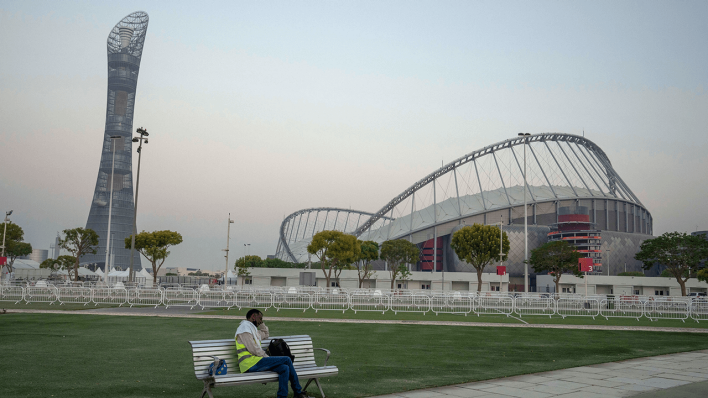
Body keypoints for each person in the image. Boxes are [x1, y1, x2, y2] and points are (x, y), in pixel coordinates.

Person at [235, 309, 308, 398]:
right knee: (287, 359)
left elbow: (266, 333)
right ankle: (298, 392)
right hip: (249, 364)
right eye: (260, 318)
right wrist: (266, 357)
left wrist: (261, 323)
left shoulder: (253, 330)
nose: (261, 320)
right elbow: (254, 349)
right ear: (253, 317)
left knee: (284, 368)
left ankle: (282, 396)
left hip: (257, 362)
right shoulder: (244, 329)